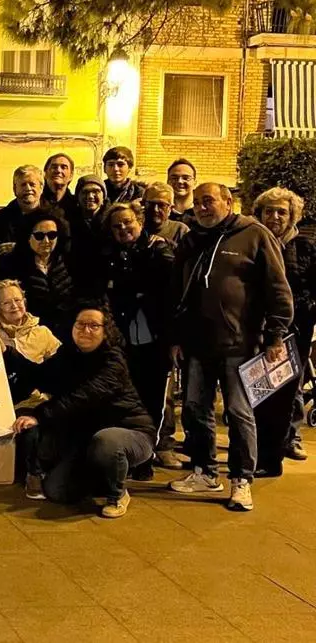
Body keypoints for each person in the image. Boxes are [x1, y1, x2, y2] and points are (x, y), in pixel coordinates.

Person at [169, 183, 292, 512]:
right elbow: (178, 291)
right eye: (197, 202)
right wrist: (177, 338)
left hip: (240, 344)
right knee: (195, 409)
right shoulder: (192, 239)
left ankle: (241, 479)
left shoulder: (255, 234)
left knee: (239, 412)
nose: (201, 207)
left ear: (228, 202)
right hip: (197, 345)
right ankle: (205, 472)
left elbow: (278, 290)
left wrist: (275, 336)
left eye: (208, 201)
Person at [12, 304, 156, 518]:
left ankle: (117, 494)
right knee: (57, 491)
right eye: (80, 324)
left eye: (94, 326)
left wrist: (39, 415)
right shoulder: (68, 354)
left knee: (107, 442)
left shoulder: (113, 361)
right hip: (87, 438)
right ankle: (102, 479)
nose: (85, 330)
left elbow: (82, 397)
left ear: (106, 330)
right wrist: (7, 353)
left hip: (130, 432)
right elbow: (39, 376)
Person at [102, 202, 180, 469]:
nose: (123, 228)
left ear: (140, 221)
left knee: (155, 400)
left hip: (156, 340)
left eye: (128, 222)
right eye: (116, 226)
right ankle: (133, 455)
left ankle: (149, 455)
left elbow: (168, 290)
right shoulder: (111, 255)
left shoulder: (159, 249)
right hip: (125, 341)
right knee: (128, 399)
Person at [252, 187, 312, 471]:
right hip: (255, 331)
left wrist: (300, 313)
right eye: (269, 211)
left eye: (282, 212)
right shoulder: (252, 242)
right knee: (257, 394)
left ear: (292, 216)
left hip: (292, 334)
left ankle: (271, 459)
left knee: (282, 397)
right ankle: (255, 454)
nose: (275, 217)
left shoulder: (305, 247)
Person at [0, 280, 61, 422]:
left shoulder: (42, 333)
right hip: (1, 407)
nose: (14, 306)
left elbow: (61, 371)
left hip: (38, 405)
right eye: (6, 303)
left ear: (24, 301)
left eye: (17, 300)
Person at [0, 210, 74, 337]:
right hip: (28, 334)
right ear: (27, 237)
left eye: (52, 235)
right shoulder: (11, 265)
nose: (46, 241)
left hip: (67, 332)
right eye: (39, 236)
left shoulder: (70, 262)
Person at [66, 174, 109, 298]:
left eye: (96, 191)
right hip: (75, 288)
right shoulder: (67, 222)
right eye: (85, 192)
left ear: (104, 196)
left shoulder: (112, 221)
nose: (90, 196)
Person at [0, 165, 48, 252]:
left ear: (41, 188)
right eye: (23, 184)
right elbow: (3, 253)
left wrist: (18, 247)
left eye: (32, 184)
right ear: (15, 189)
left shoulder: (50, 215)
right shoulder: (2, 217)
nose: (28, 188)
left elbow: (51, 250)